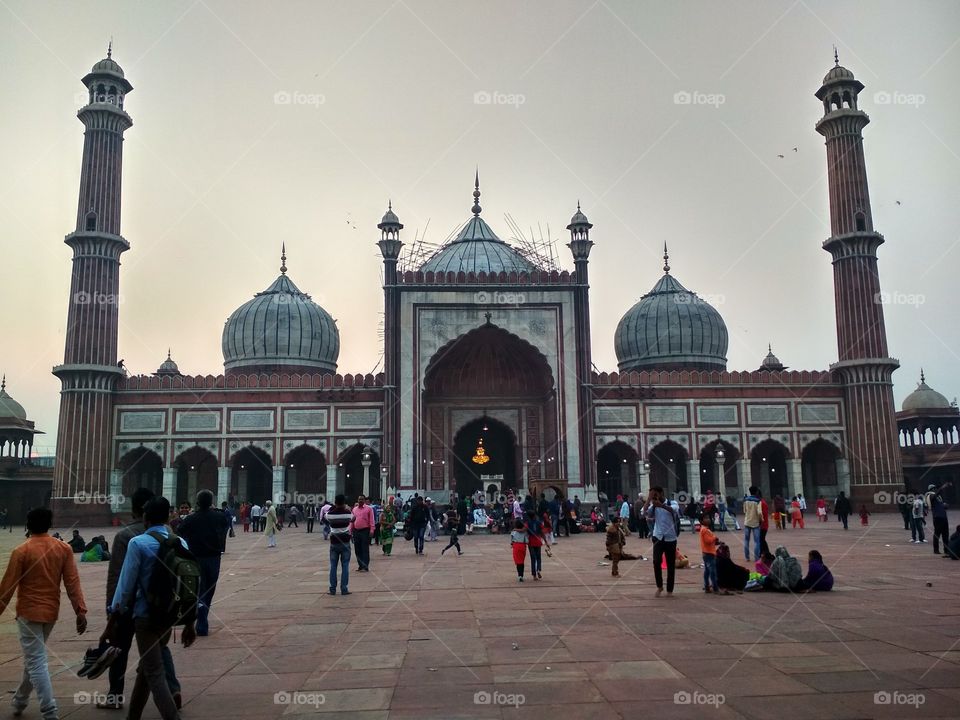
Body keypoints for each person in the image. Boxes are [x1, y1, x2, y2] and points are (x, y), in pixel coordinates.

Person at [108, 498, 196, 720]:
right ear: (168, 517)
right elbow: (190, 585)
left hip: (145, 617)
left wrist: (113, 618)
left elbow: (125, 587)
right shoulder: (180, 542)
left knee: (154, 672)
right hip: (168, 616)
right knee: (146, 670)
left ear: (145, 518)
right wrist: (190, 622)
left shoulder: (138, 543)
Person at [0, 507, 87, 720]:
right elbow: (72, 582)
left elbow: (7, 587)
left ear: (28, 525)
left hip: (28, 613)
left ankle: (49, 710)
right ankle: (20, 700)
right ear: (50, 524)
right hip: (50, 613)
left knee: (36, 661)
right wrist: (80, 610)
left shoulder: (22, 551)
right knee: (34, 659)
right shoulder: (63, 548)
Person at [177, 490, 230, 637]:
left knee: (200, 590)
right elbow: (225, 526)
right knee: (209, 590)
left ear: (197, 503)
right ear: (211, 502)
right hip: (214, 558)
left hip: (196, 558)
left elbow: (180, 532)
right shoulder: (219, 516)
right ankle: (202, 622)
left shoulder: (191, 519)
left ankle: (201, 620)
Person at [644, 486, 679, 598]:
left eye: (655, 494)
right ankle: (659, 586)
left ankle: (670, 589)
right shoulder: (653, 506)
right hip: (658, 536)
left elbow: (673, 510)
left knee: (670, 564)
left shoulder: (672, 503)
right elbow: (644, 513)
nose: (655, 497)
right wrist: (648, 500)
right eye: (652, 495)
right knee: (656, 561)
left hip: (670, 538)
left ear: (661, 493)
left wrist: (661, 505)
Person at [326, 495, 353, 595]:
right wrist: (346, 508)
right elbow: (354, 519)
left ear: (335, 502)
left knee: (333, 566)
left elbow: (325, 517)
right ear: (344, 502)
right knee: (345, 566)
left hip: (334, 543)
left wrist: (334, 507)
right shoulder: (348, 513)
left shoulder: (330, 514)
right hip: (345, 542)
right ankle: (344, 588)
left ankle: (332, 589)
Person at [699, 512, 724, 594]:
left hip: (706, 552)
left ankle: (707, 586)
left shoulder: (705, 529)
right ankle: (715, 587)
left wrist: (718, 542)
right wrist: (714, 538)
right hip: (709, 553)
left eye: (708, 518)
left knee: (707, 571)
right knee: (712, 571)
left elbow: (710, 542)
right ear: (701, 521)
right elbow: (708, 541)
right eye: (706, 518)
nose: (708, 519)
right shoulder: (705, 530)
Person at [926, 482, 952, 555]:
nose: (936, 489)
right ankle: (936, 549)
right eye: (934, 488)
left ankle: (946, 550)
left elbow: (940, 505)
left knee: (945, 534)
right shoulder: (929, 495)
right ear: (932, 489)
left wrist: (944, 505)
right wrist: (942, 488)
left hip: (943, 516)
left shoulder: (938, 497)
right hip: (937, 517)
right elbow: (934, 496)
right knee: (937, 534)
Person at [351, 495, 374, 571]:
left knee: (364, 548)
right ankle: (360, 565)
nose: (360, 500)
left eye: (362, 499)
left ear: (364, 500)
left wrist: (372, 530)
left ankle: (365, 566)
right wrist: (350, 531)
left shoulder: (369, 509)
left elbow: (371, 520)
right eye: (359, 499)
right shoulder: (354, 509)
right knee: (357, 549)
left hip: (365, 530)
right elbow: (352, 521)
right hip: (356, 531)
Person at [741, 487, 762, 562]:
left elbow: (744, 511)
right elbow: (759, 513)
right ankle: (756, 557)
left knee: (746, 540)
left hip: (747, 522)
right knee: (756, 541)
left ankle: (747, 557)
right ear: (756, 492)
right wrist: (761, 520)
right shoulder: (758, 501)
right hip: (755, 523)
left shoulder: (746, 500)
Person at [525, 511, 546, 580]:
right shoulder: (539, 523)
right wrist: (546, 541)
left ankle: (534, 575)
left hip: (531, 541)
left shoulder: (527, 523)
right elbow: (542, 533)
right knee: (538, 557)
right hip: (538, 540)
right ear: (534, 516)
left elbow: (524, 530)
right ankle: (538, 569)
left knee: (533, 558)